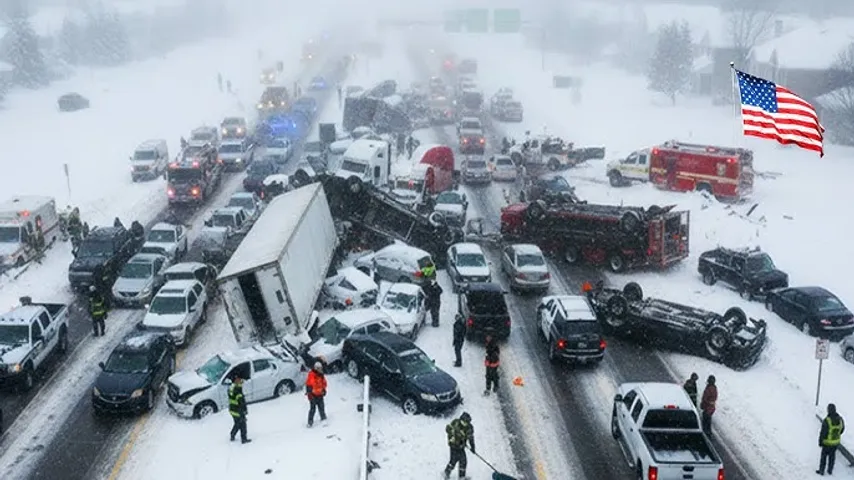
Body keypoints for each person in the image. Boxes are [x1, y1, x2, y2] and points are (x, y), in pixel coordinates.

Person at [444, 412, 475, 479]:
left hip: (461, 447)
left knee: (463, 461)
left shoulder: (469, 428)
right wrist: (454, 438)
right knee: (453, 461)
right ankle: (446, 472)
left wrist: (473, 447)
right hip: (453, 446)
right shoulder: (455, 423)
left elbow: (471, 438)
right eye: (463, 422)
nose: (465, 424)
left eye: (466, 423)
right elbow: (448, 429)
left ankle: (461, 477)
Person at [818, 403, 846, 475]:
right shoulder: (840, 419)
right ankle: (830, 470)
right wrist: (836, 435)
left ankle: (821, 471)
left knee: (823, 458)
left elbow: (823, 432)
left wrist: (820, 441)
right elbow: (842, 429)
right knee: (832, 457)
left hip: (826, 443)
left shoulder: (827, 420)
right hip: (835, 443)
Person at [228, 375, 250, 444]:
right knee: (243, 424)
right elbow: (241, 403)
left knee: (237, 423)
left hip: (232, 409)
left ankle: (232, 435)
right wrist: (244, 410)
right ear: (235, 380)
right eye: (239, 380)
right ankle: (244, 439)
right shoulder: (238, 391)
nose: (241, 381)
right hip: (238, 410)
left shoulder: (231, 387)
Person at [305, 361, 327, 427]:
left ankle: (323, 418)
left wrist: (323, 389)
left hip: (320, 394)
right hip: (313, 395)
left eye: (321, 368)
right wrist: (310, 394)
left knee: (321, 407)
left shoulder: (321, 375)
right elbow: (312, 384)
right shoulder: (311, 375)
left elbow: (324, 383)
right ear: (316, 368)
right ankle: (310, 422)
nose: (320, 370)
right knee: (312, 409)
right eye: (319, 368)